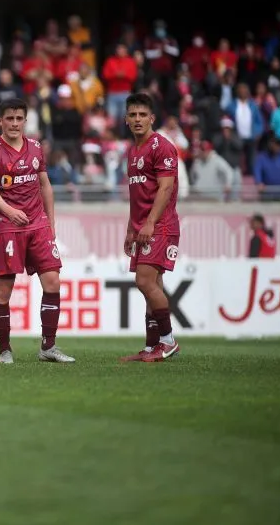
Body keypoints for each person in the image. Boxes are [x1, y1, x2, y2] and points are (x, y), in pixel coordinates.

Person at [0, 98, 75, 365]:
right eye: (9, 118)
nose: (14, 123)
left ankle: (49, 346)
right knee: (4, 290)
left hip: (38, 225)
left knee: (53, 281)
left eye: (19, 118)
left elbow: (45, 185)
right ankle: (5, 350)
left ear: (25, 120)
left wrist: (51, 223)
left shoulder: (35, 148)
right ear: (0, 121)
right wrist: (10, 211)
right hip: (8, 227)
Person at [120, 93, 182, 363]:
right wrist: (130, 229)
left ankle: (168, 341)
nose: (137, 119)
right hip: (144, 226)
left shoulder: (162, 147)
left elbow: (166, 188)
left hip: (161, 226)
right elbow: (136, 195)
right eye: (133, 115)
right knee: (152, 285)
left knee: (144, 281)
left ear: (152, 118)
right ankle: (150, 346)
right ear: (126, 119)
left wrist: (149, 222)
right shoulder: (132, 151)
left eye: (142, 114)